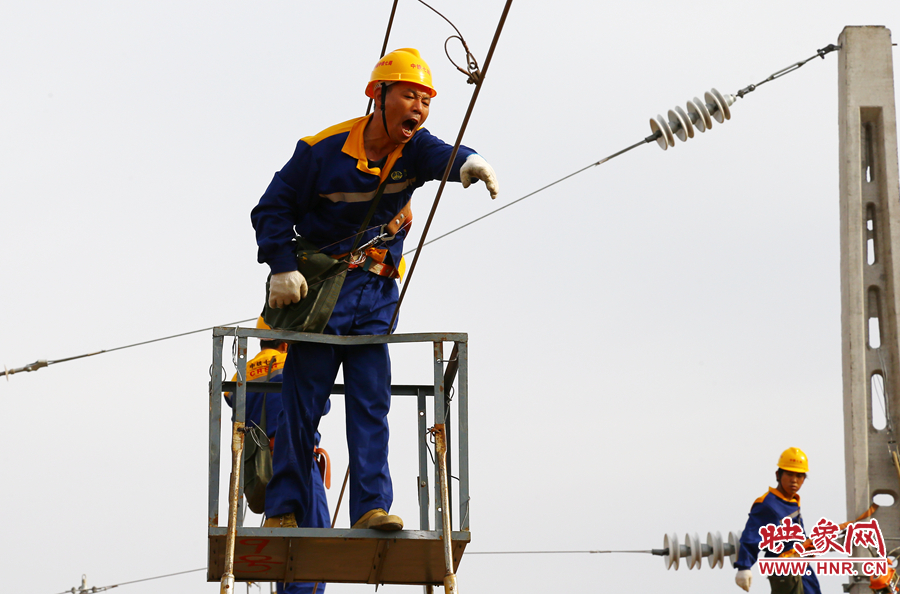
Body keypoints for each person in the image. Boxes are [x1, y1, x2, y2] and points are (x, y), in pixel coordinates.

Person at [251, 48, 498, 532]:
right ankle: (283, 509)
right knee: (302, 402)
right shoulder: (322, 151)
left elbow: (441, 154)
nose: (418, 108)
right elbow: (270, 209)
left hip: (376, 294)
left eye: (425, 100)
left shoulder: (415, 149)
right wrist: (281, 265)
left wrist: (468, 162)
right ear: (377, 96)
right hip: (323, 295)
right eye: (409, 95)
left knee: (371, 400)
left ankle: (371, 507)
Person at [224, 316, 331, 594]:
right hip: (296, 460)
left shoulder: (241, 374)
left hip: (259, 468)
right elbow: (322, 403)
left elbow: (230, 398)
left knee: (283, 546)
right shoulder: (291, 365)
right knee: (313, 546)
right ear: (287, 342)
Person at [735, 447, 821, 594]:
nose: (794, 480)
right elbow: (752, 536)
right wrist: (744, 567)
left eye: (799, 475)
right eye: (789, 474)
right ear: (778, 475)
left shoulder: (792, 502)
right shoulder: (768, 504)